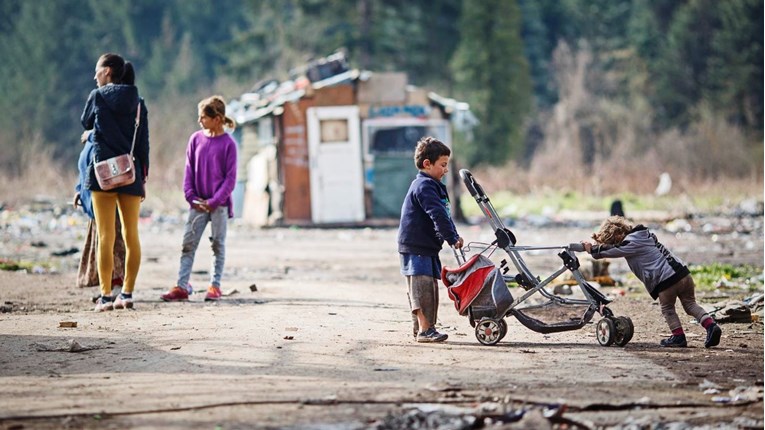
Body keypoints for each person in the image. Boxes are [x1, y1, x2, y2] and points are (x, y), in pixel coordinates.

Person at [582, 216, 722, 348]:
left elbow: (611, 252)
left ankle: (678, 336)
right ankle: (711, 326)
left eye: (613, 241)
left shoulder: (630, 243)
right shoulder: (644, 235)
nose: (614, 244)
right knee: (690, 304)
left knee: (668, 309)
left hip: (666, 280)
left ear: (618, 235)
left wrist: (592, 250)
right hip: (683, 273)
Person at [81, 53, 150, 312]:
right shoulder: (139, 103)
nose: (94, 76)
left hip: (101, 176)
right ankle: (128, 293)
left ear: (108, 71)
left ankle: (106, 297)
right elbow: (143, 143)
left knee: (106, 235)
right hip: (130, 175)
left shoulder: (97, 96)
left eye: (97, 71)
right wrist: (143, 177)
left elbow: (85, 122)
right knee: (131, 235)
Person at [160, 96, 238, 303]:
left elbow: (230, 179)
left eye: (203, 117)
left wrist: (213, 201)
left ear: (217, 119)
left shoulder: (228, 144)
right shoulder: (195, 139)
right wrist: (191, 197)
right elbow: (188, 171)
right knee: (188, 245)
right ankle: (182, 285)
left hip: (218, 206)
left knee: (217, 245)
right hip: (197, 205)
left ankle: (215, 286)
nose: (200, 121)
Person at [397, 136, 463, 343]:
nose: (445, 170)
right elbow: (437, 214)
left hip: (427, 246)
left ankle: (422, 328)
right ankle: (425, 331)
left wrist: (453, 233)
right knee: (422, 286)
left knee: (429, 286)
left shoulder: (432, 186)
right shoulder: (424, 186)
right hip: (416, 246)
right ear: (427, 164)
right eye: (442, 165)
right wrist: (451, 237)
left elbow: (445, 215)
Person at [73, 130, 126, 292]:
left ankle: (117, 284)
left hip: (110, 194)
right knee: (102, 242)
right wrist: (79, 189)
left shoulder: (103, 133)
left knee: (114, 241)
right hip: (93, 198)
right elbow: (85, 166)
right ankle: (107, 286)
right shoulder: (91, 139)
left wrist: (91, 135)